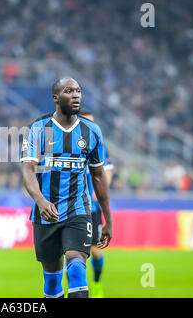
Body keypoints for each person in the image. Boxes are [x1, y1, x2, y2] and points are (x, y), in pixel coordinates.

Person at [21, 77, 112, 298]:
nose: (76, 95)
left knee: (78, 266)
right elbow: (28, 170)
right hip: (46, 213)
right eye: (69, 91)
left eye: (78, 91)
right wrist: (41, 201)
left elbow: (99, 176)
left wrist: (108, 219)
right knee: (52, 281)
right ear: (56, 98)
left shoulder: (91, 131)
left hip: (78, 210)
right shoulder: (38, 128)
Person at [79, 109, 114, 298]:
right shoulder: (67, 143)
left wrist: (99, 189)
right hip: (71, 206)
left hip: (92, 209)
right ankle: (75, 290)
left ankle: (97, 283)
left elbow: (107, 169)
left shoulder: (99, 145)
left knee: (96, 250)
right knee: (72, 252)